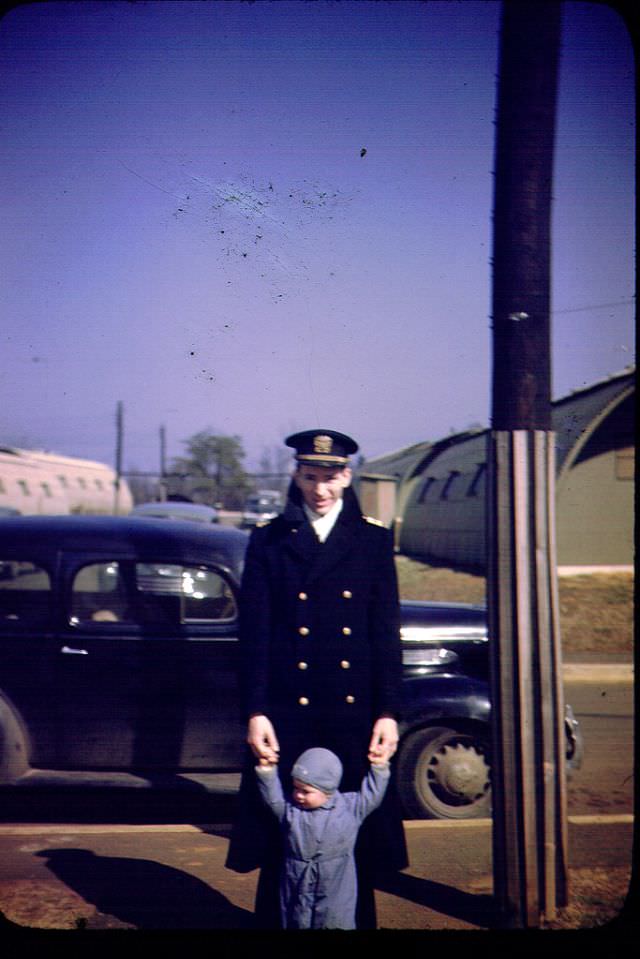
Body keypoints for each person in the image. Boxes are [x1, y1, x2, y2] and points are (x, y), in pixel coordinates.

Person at [225, 428, 408, 929]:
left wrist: (389, 711)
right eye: (310, 476)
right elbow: (256, 633)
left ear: (347, 477)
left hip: (353, 715)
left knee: (356, 834)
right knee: (284, 827)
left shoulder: (372, 540)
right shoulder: (268, 539)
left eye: (330, 477)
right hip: (289, 711)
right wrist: (256, 710)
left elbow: (385, 632)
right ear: (296, 475)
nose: (320, 489)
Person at [255, 747, 390, 930]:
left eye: (306, 791)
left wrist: (379, 768)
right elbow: (272, 798)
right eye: (296, 788)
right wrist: (267, 771)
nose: (298, 795)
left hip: (336, 880)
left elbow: (372, 795)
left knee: (335, 919)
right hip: (296, 878)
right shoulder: (289, 810)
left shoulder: (351, 808)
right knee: (295, 917)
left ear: (327, 790)